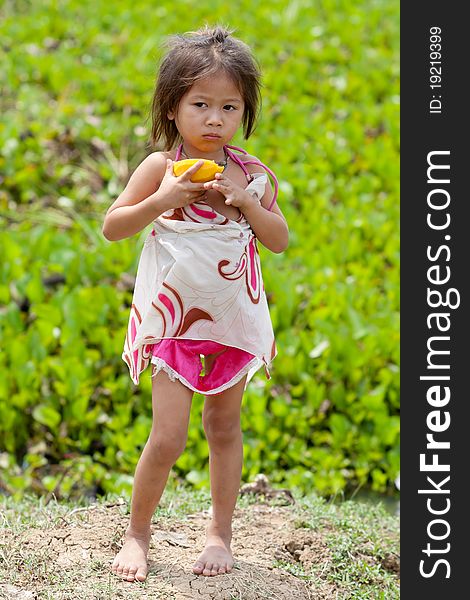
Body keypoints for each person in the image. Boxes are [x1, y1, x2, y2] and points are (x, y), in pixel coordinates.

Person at [102, 24, 289, 583]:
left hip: (232, 318)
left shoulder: (252, 176)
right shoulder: (161, 169)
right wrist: (165, 198)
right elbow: (114, 227)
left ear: (245, 112)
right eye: (200, 105)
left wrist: (246, 206)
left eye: (229, 107)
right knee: (168, 435)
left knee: (224, 425)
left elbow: (278, 239)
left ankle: (220, 533)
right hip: (174, 321)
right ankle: (138, 533)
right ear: (172, 109)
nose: (214, 119)